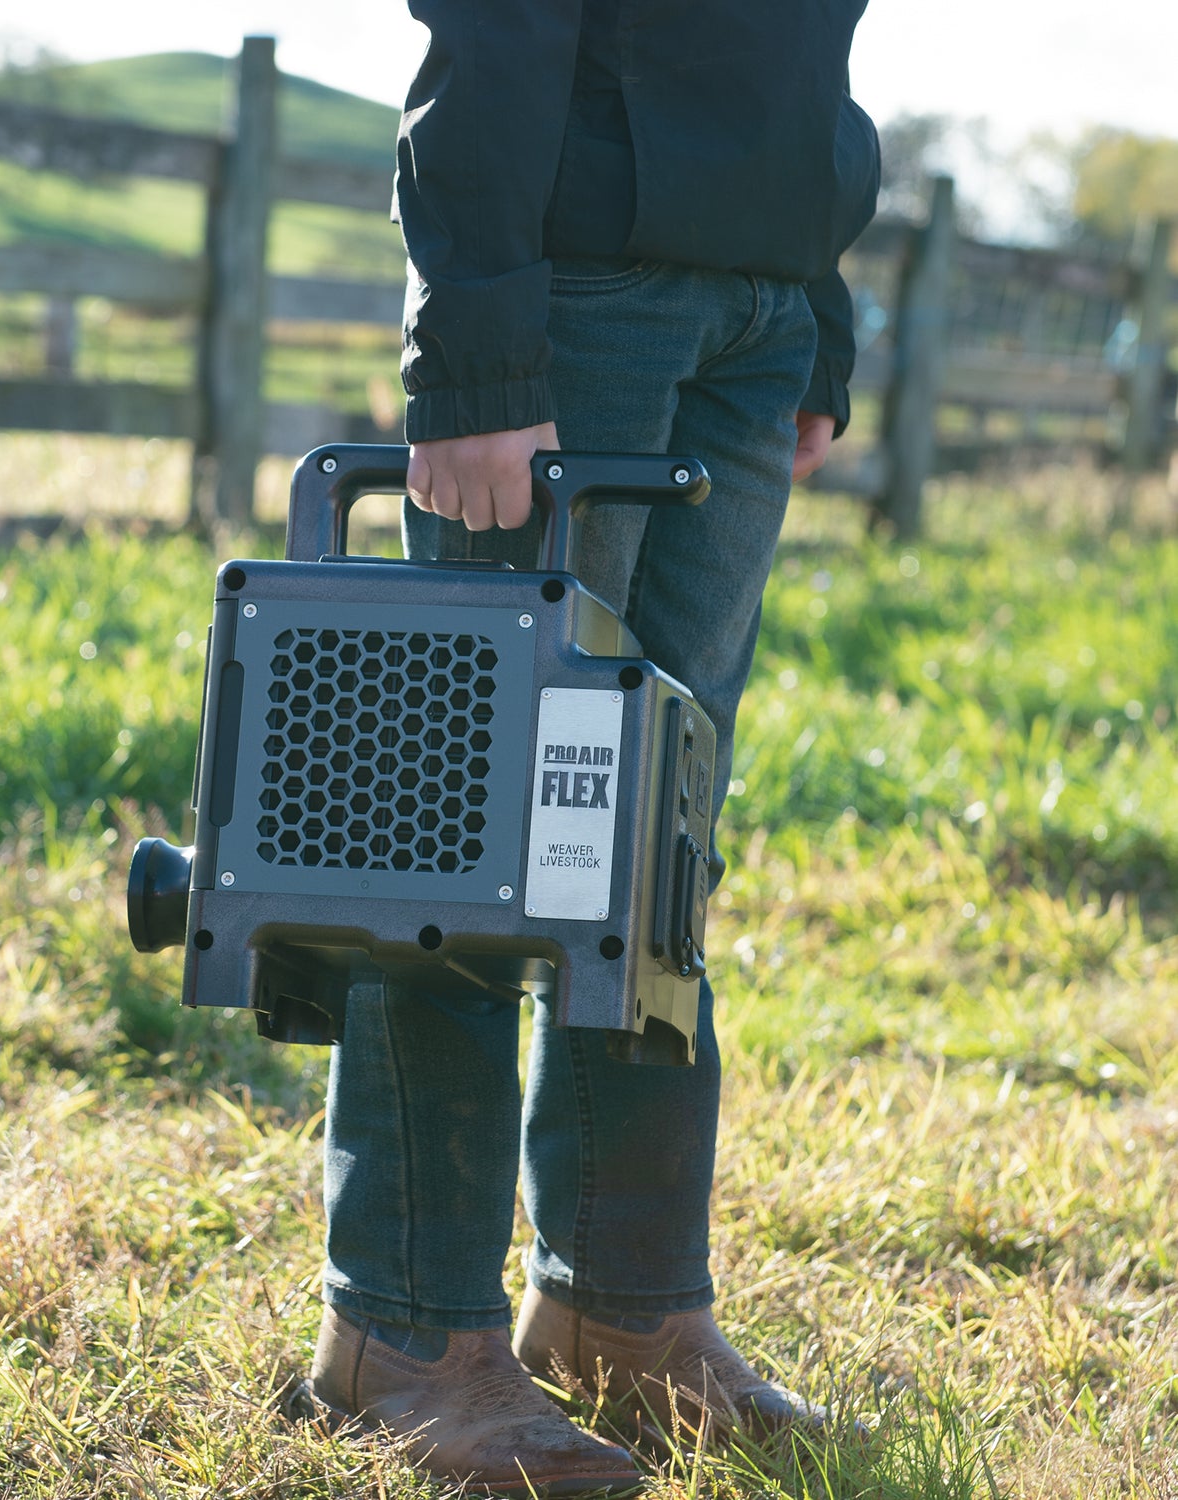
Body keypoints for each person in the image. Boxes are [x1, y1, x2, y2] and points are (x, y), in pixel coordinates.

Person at [294, 2, 880, 1491]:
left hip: (754, 313)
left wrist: (816, 309)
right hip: (575, 297)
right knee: (472, 851)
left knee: (651, 853)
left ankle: (623, 1309)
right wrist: (480, 355)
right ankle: (407, 1333)